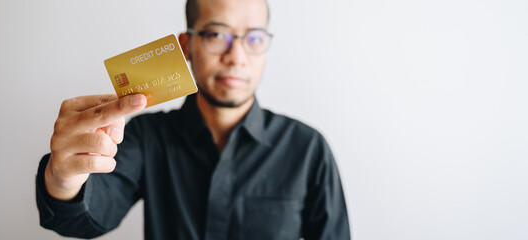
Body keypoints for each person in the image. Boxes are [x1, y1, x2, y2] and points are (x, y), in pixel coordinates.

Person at [35, 0, 350, 239]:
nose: (237, 57)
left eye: (254, 39)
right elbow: (83, 217)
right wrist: (63, 179)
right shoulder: (147, 136)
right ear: (187, 46)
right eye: (216, 34)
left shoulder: (307, 148)